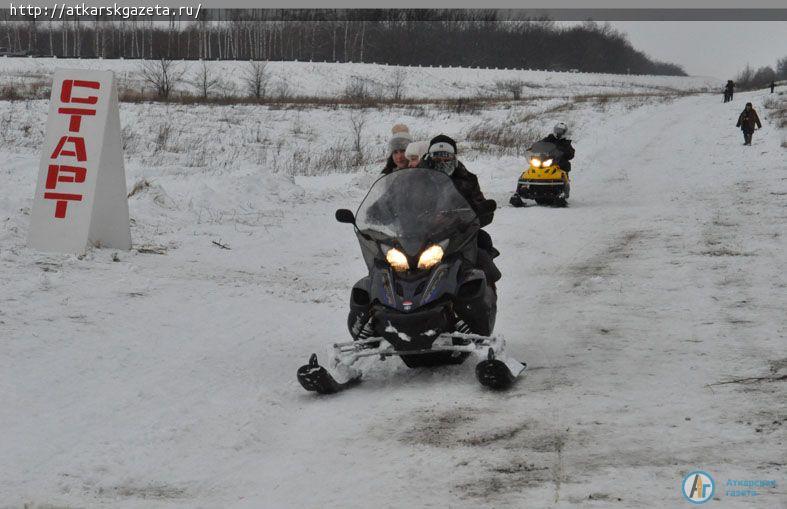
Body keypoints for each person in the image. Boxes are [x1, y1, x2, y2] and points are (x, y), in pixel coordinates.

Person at [420, 134, 501, 286]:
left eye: (446, 158)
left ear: (454, 158)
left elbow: (479, 205)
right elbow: (400, 200)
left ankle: (484, 296)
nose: (442, 162)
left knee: (483, 250)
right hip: (420, 234)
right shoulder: (417, 178)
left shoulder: (467, 179)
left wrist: (477, 213)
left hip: (459, 234)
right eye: (437, 158)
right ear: (430, 158)